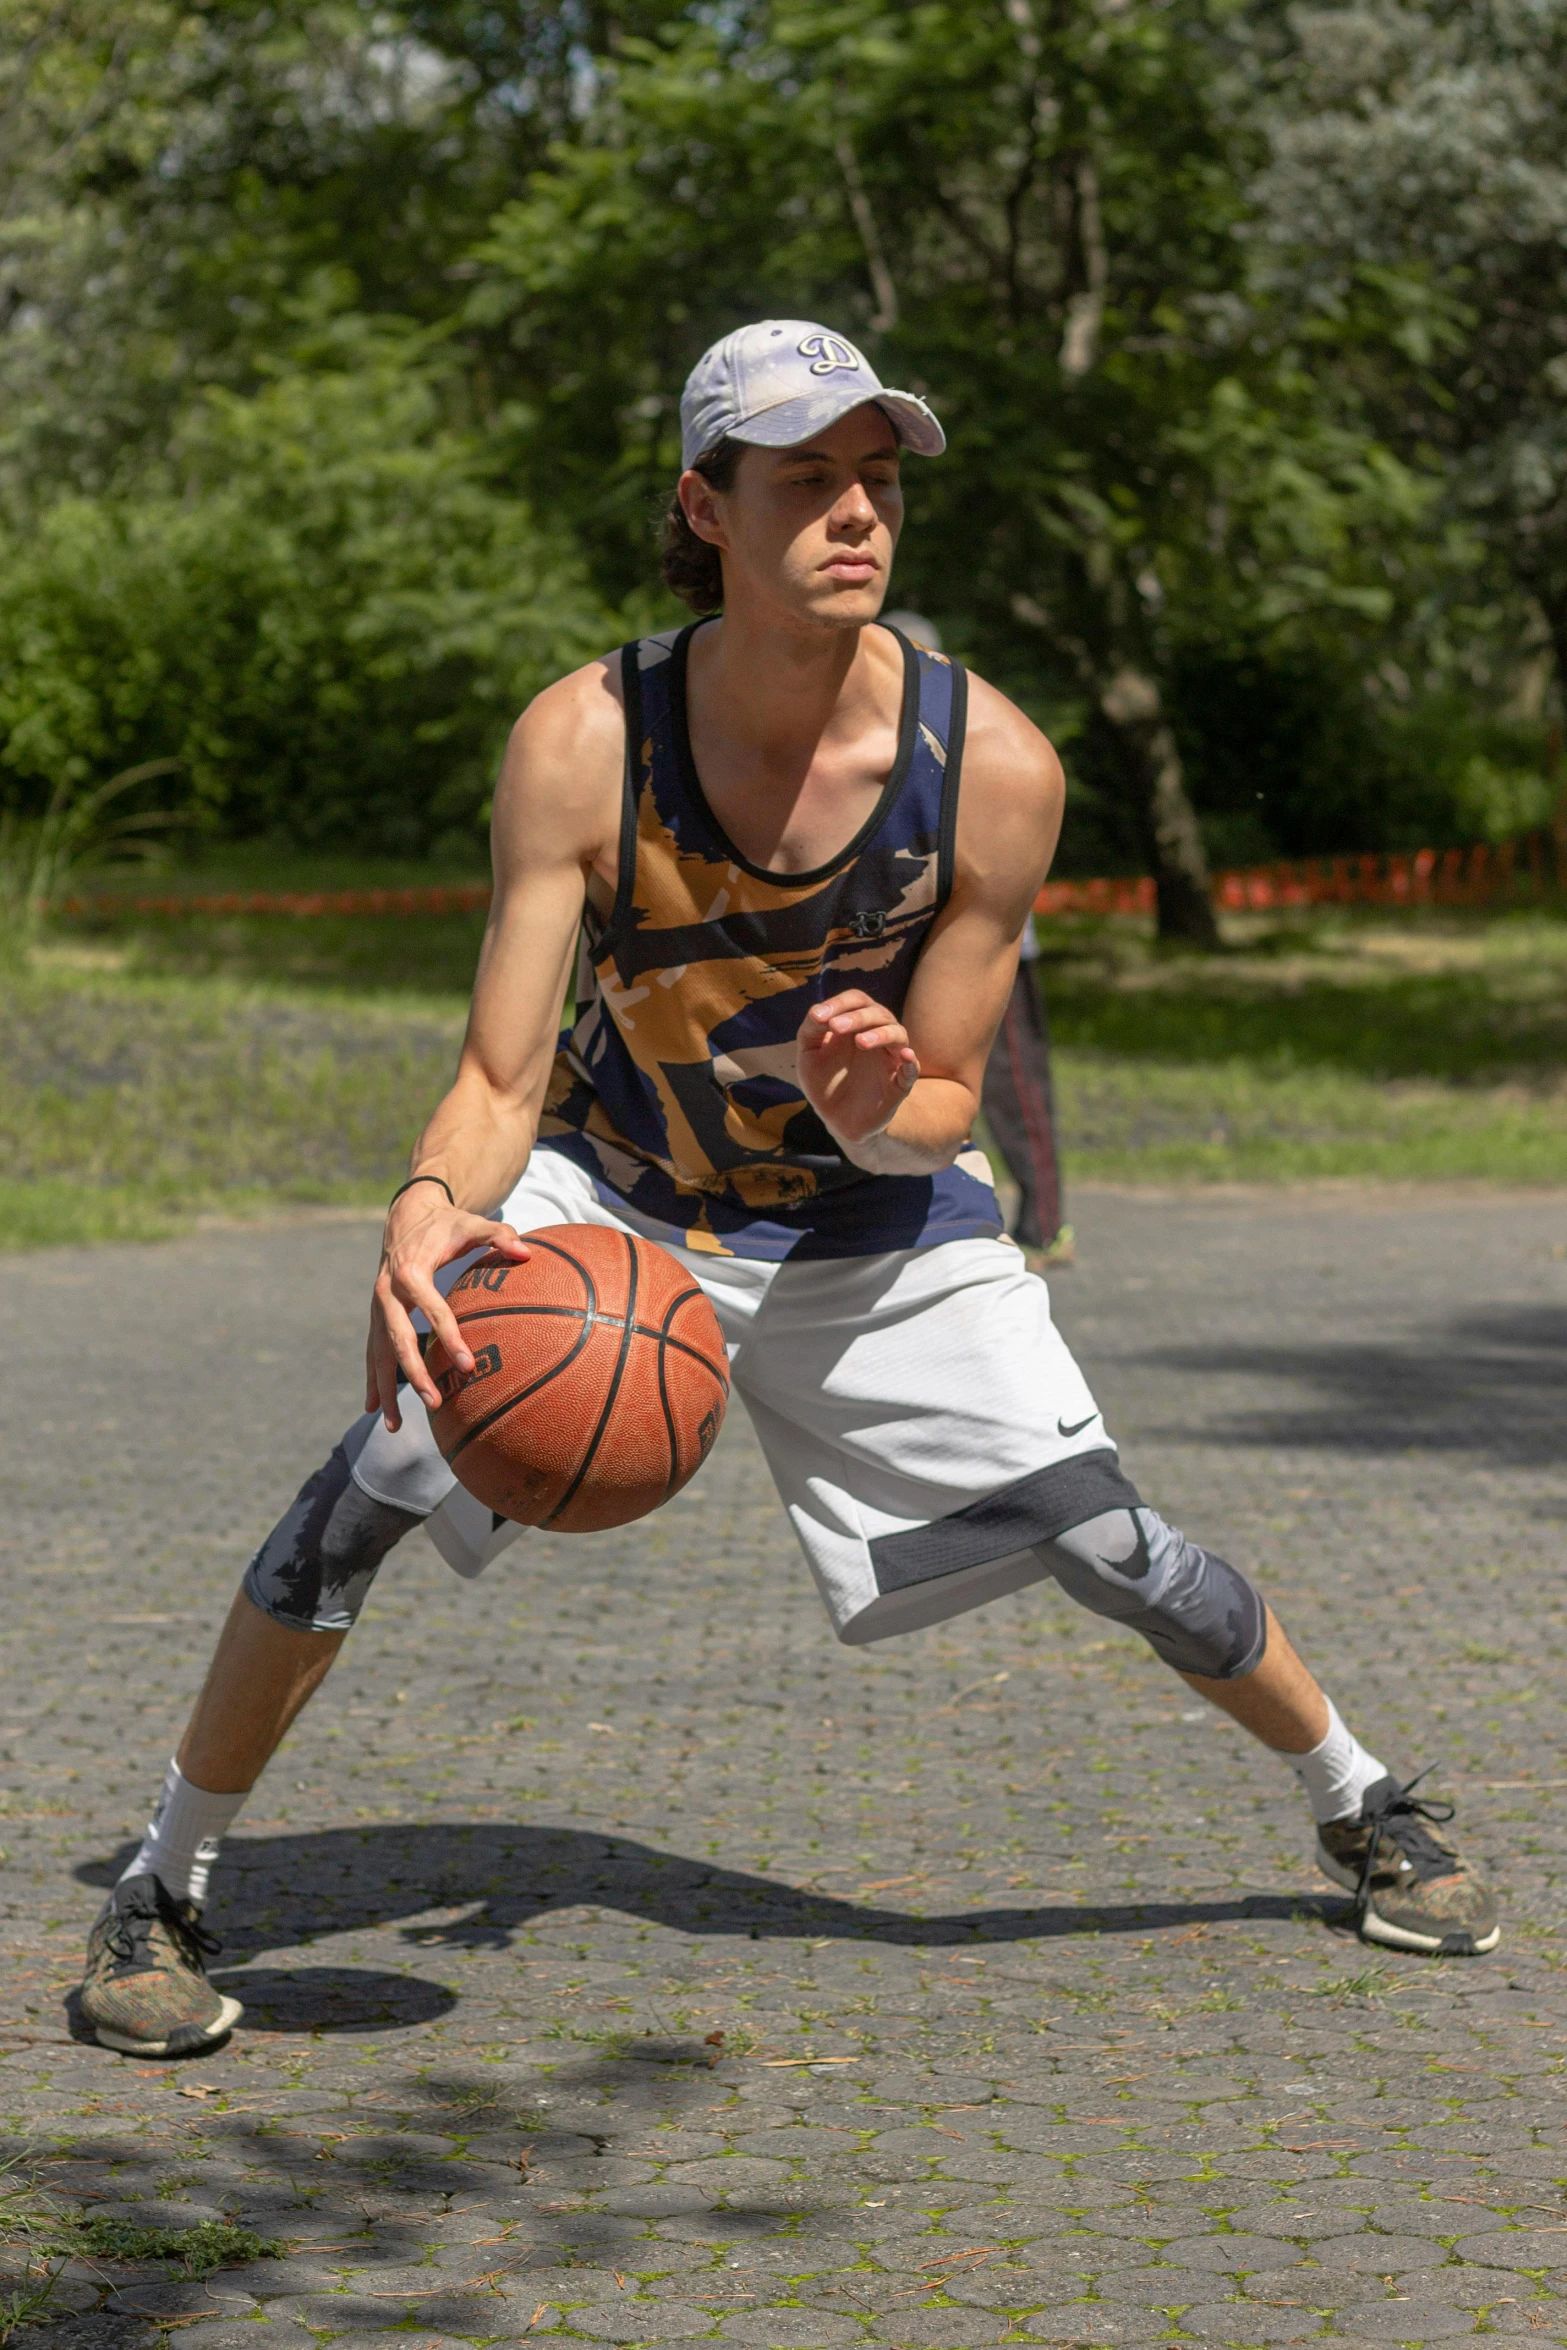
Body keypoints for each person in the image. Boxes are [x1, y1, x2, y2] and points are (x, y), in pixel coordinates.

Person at [80, 318, 1496, 2057]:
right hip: (612, 1193)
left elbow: (943, 1106)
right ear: (706, 504)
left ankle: (1359, 1800)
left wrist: (879, 1101)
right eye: (806, 478)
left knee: (1112, 1541)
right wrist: (431, 1207)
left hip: (866, 1223)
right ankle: (160, 1886)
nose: (855, 513)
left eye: (878, 480)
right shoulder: (587, 740)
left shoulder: (994, 766)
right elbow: (499, 1079)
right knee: (371, 1472)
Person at [883, 613, 1071, 1268]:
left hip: (998, 954)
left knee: (1014, 1091)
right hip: (911, 953)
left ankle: (1046, 1225)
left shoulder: (970, 734)